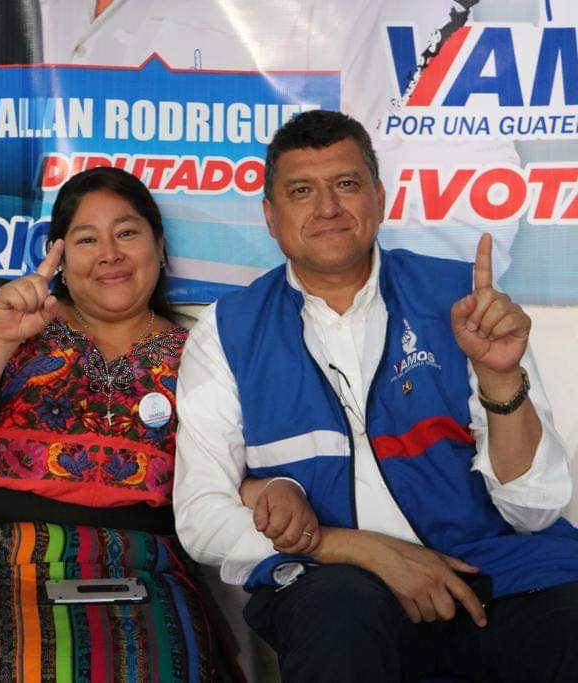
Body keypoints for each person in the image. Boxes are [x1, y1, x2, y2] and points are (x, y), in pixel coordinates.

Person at [173, 109, 578, 682]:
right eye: (301, 191)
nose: (328, 208)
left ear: (379, 198)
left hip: (498, 576)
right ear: (270, 215)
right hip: (338, 589)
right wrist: (356, 549)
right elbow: (200, 516)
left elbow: (535, 509)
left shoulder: (465, 300)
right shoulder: (227, 330)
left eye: (346, 184)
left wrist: (501, 380)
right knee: (339, 615)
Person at [0, 167, 220, 681]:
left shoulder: (200, 353)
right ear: (59, 257)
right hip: (0, 559)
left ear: (160, 246)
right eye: (86, 239)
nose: (109, 254)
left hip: (144, 565)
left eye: (126, 233)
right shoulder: (9, 322)